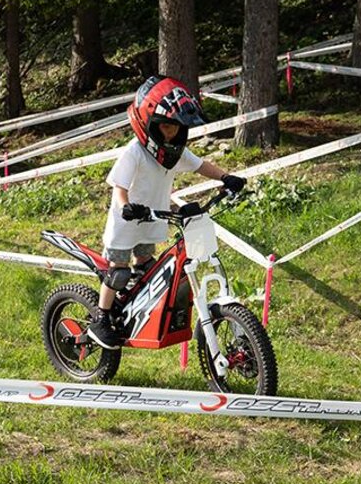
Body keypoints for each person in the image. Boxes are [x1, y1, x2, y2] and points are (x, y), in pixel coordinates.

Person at [87, 76, 246, 349]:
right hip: (126, 224)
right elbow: (119, 187)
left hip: (151, 221)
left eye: (176, 127)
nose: (171, 133)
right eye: (166, 126)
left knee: (148, 266)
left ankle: (133, 310)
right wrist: (125, 207)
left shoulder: (173, 151)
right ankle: (100, 319)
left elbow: (200, 166)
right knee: (119, 274)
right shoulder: (135, 151)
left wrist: (225, 177)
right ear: (150, 124)